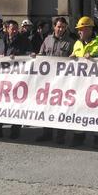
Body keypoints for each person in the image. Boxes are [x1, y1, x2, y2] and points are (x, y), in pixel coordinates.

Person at [70, 16, 98, 148]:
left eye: (81, 29)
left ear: (88, 29)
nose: (79, 32)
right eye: (78, 30)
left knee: (97, 111)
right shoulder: (77, 43)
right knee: (79, 110)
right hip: (80, 84)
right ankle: (78, 137)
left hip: (97, 84)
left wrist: (94, 58)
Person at [36, 16, 75, 144]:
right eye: (59, 26)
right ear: (54, 27)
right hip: (48, 81)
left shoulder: (70, 42)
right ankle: (47, 133)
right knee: (47, 107)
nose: (61, 29)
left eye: (63, 27)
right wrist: (34, 57)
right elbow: (41, 56)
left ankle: (60, 136)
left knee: (61, 108)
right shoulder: (47, 40)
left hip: (63, 82)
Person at [0, 20, 33, 139]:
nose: (15, 31)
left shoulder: (24, 40)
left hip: (17, 77)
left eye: (16, 29)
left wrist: (23, 56)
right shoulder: (0, 40)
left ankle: (15, 130)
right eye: (12, 29)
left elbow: (28, 54)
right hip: (1, 76)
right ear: (7, 29)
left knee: (16, 103)